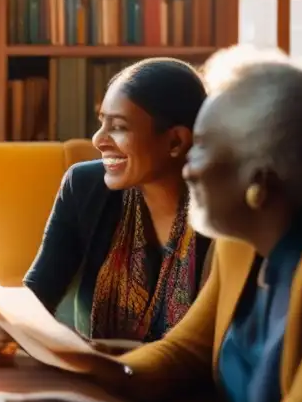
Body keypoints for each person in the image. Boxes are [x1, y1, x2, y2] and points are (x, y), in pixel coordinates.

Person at [1, 48, 302, 402]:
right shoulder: (244, 237)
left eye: (203, 147)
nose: (190, 166)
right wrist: (87, 367)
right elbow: (185, 353)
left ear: (259, 177)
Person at [16, 58, 210, 346]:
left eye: (118, 126)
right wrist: (8, 325)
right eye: (101, 123)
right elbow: (36, 296)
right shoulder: (84, 187)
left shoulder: (222, 212)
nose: (98, 139)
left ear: (176, 142)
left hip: (187, 387)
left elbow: (208, 346)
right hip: (93, 379)